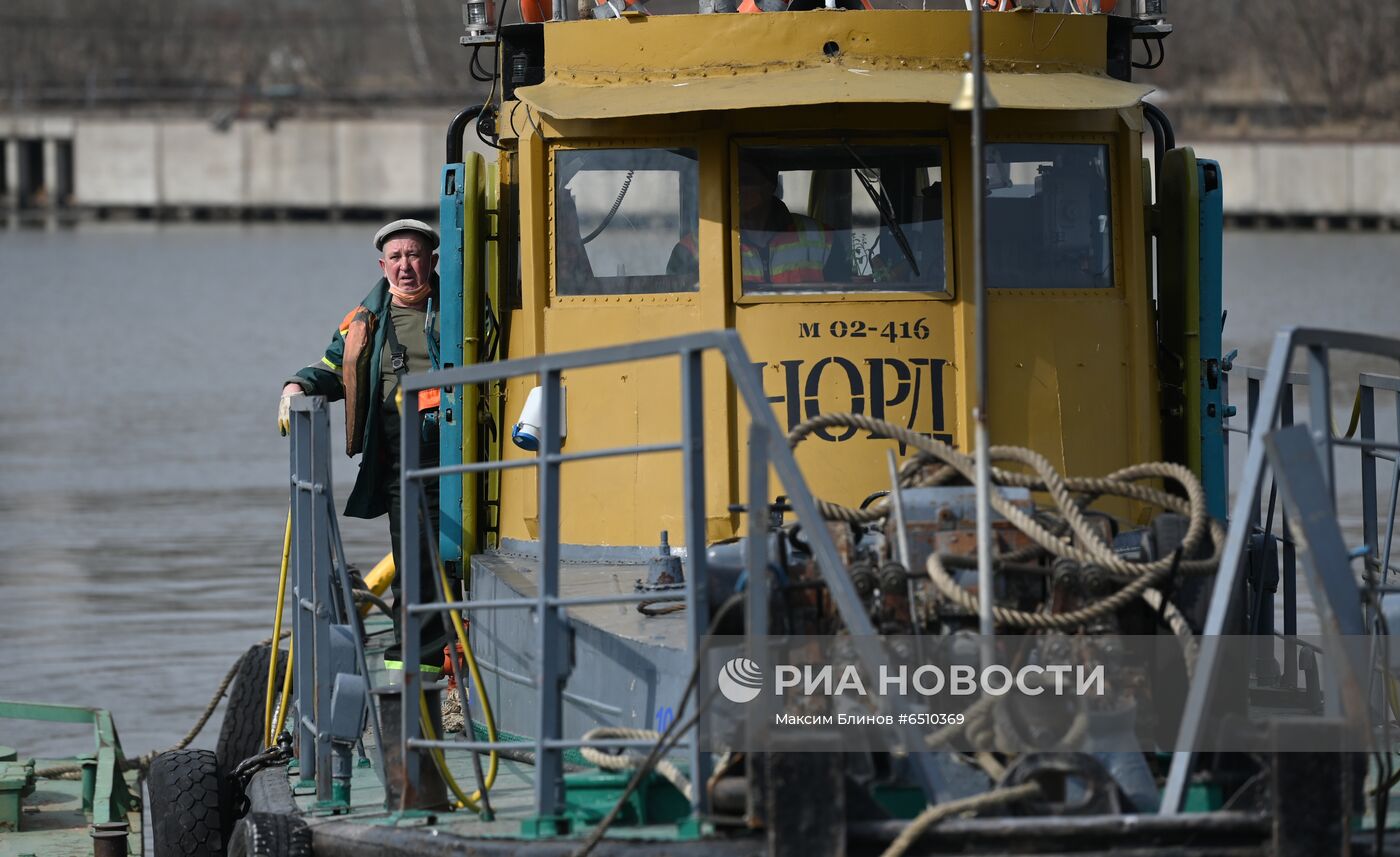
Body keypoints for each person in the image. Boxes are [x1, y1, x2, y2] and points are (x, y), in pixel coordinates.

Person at [278, 218, 450, 673]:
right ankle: (415, 671)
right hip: (400, 454)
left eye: (414, 255)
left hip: (458, 447)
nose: (405, 266)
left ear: (433, 261)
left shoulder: (461, 308)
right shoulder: (365, 318)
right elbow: (334, 368)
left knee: (460, 556)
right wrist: (296, 385)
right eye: (396, 258)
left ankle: (450, 651)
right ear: (383, 264)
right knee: (415, 563)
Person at [667, 158, 834, 287]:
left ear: (770, 185)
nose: (736, 188)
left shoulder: (823, 238)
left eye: (745, 180)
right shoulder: (689, 250)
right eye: (730, 180)